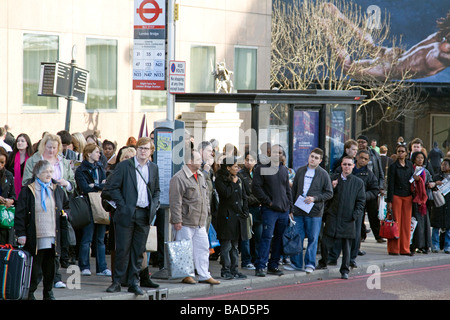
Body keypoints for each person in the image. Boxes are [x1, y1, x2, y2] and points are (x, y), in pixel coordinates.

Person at [105, 137, 160, 295]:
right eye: (141, 148)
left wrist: (154, 206)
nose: (143, 151)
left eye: (146, 149)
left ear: (151, 152)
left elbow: (156, 191)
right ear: (137, 149)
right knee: (122, 249)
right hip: (127, 213)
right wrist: (122, 205)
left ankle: (133, 282)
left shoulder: (153, 168)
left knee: (138, 251)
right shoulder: (124, 166)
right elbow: (112, 187)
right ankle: (117, 282)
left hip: (144, 214)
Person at [15, 160, 70, 300]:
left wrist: (65, 214)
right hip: (36, 235)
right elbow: (20, 214)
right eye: (46, 172)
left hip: (53, 234)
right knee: (35, 267)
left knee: (51, 266)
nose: (49, 174)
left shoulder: (57, 189)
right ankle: (30, 292)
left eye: (51, 172)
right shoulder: (28, 190)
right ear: (37, 173)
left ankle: (48, 291)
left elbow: (66, 206)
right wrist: (21, 233)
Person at [169, 149, 220, 285]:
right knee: (185, 249)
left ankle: (204, 274)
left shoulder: (201, 175)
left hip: (200, 221)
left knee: (203, 248)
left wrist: (207, 211)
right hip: (185, 221)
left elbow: (205, 196)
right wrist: (177, 220)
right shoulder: (179, 178)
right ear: (189, 162)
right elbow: (175, 201)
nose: (201, 162)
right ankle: (186, 274)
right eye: (198, 160)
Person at [319, 156, 366, 279]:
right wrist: (332, 189)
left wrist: (354, 215)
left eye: (349, 165)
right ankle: (323, 262)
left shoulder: (358, 182)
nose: (347, 167)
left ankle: (344, 270)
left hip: (348, 218)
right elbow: (326, 196)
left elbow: (361, 201)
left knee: (346, 246)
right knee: (325, 242)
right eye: (345, 164)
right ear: (341, 165)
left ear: (353, 166)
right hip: (333, 216)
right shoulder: (333, 179)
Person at [288, 148, 333, 274]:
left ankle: (310, 264)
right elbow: (293, 190)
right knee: (298, 237)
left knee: (313, 239)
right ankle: (296, 264)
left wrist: (315, 198)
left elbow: (329, 193)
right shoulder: (301, 171)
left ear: (320, 160)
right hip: (298, 210)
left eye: (316, 158)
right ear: (308, 157)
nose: (313, 159)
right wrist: (291, 209)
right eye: (312, 156)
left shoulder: (323, 174)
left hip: (314, 212)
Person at [252, 144, 292, 277]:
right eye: (275, 152)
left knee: (279, 239)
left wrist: (290, 207)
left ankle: (273, 266)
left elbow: (288, 190)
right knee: (266, 238)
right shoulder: (261, 168)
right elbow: (256, 188)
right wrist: (268, 201)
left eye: (280, 152)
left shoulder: (284, 169)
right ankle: (260, 266)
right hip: (269, 210)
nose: (278, 155)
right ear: (269, 153)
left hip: (283, 211)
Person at [74, 143, 111, 276]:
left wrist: (95, 185)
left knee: (100, 239)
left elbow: (106, 185)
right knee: (87, 238)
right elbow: (84, 188)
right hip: (87, 205)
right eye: (96, 152)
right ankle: (84, 266)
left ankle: (102, 267)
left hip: (99, 204)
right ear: (88, 154)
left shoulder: (100, 167)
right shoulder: (81, 170)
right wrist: (99, 185)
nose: (99, 154)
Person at [215, 156, 249, 280]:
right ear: (228, 168)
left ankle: (235, 269)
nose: (238, 169)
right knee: (226, 246)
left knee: (235, 246)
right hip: (226, 218)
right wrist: (233, 184)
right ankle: (225, 270)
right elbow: (226, 194)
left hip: (238, 217)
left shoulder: (238, 179)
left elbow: (244, 196)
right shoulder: (220, 180)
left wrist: (245, 211)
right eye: (235, 167)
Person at [349, 150, 379, 266]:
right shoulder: (348, 168)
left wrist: (363, 197)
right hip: (344, 205)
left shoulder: (369, 175)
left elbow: (374, 190)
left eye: (366, 159)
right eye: (361, 158)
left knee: (356, 231)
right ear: (356, 157)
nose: (363, 160)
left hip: (358, 206)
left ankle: (353, 254)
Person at [386, 144, 416, 256]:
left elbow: (412, 181)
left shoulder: (410, 165)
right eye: (398, 151)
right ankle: (394, 249)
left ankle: (405, 248)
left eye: (402, 151)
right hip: (396, 196)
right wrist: (389, 201)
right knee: (395, 222)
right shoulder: (393, 167)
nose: (400, 153)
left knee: (406, 224)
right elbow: (390, 184)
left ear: (406, 153)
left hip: (408, 197)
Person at [357, 135, 384, 241]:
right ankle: (361, 235)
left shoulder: (374, 154)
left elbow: (380, 171)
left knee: (373, 213)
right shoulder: (355, 154)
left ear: (367, 143)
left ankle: (378, 235)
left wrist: (380, 186)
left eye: (363, 142)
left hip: (372, 187)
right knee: (360, 213)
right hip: (360, 187)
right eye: (359, 142)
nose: (360, 144)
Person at [238, 151, 261, 269]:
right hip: (246, 208)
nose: (248, 162)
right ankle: (246, 261)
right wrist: (257, 199)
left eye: (251, 160)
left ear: (255, 162)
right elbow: (242, 195)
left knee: (258, 235)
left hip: (258, 209)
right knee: (246, 236)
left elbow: (263, 190)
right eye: (247, 159)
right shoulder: (240, 175)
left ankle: (256, 259)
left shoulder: (258, 174)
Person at [410, 151, 433, 254]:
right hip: (412, 200)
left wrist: (430, 184)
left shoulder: (425, 171)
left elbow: (430, 182)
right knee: (414, 223)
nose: (420, 160)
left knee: (424, 223)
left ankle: (424, 245)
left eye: (422, 158)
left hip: (422, 202)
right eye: (418, 158)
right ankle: (414, 244)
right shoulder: (411, 170)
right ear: (414, 159)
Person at [430, 158, 450, 253]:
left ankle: (447, 245)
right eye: (442, 164)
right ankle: (435, 245)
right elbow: (431, 188)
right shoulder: (437, 177)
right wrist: (435, 184)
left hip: (448, 204)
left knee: (448, 226)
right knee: (436, 226)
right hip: (438, 204)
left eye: (445, 164)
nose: (443, 166)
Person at [6, 133, 33, 198]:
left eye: (22, 141)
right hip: (13, 188)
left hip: (27, 189)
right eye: (18, 141)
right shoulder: (11, 156)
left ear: (27, 144)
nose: (19, 143)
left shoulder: (31, 159)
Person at [0, 147, 16, 245]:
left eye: (2, 162)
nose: (0, 165)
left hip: (4, 219)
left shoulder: (8, 175)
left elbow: (13, 195)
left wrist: (11, 201)